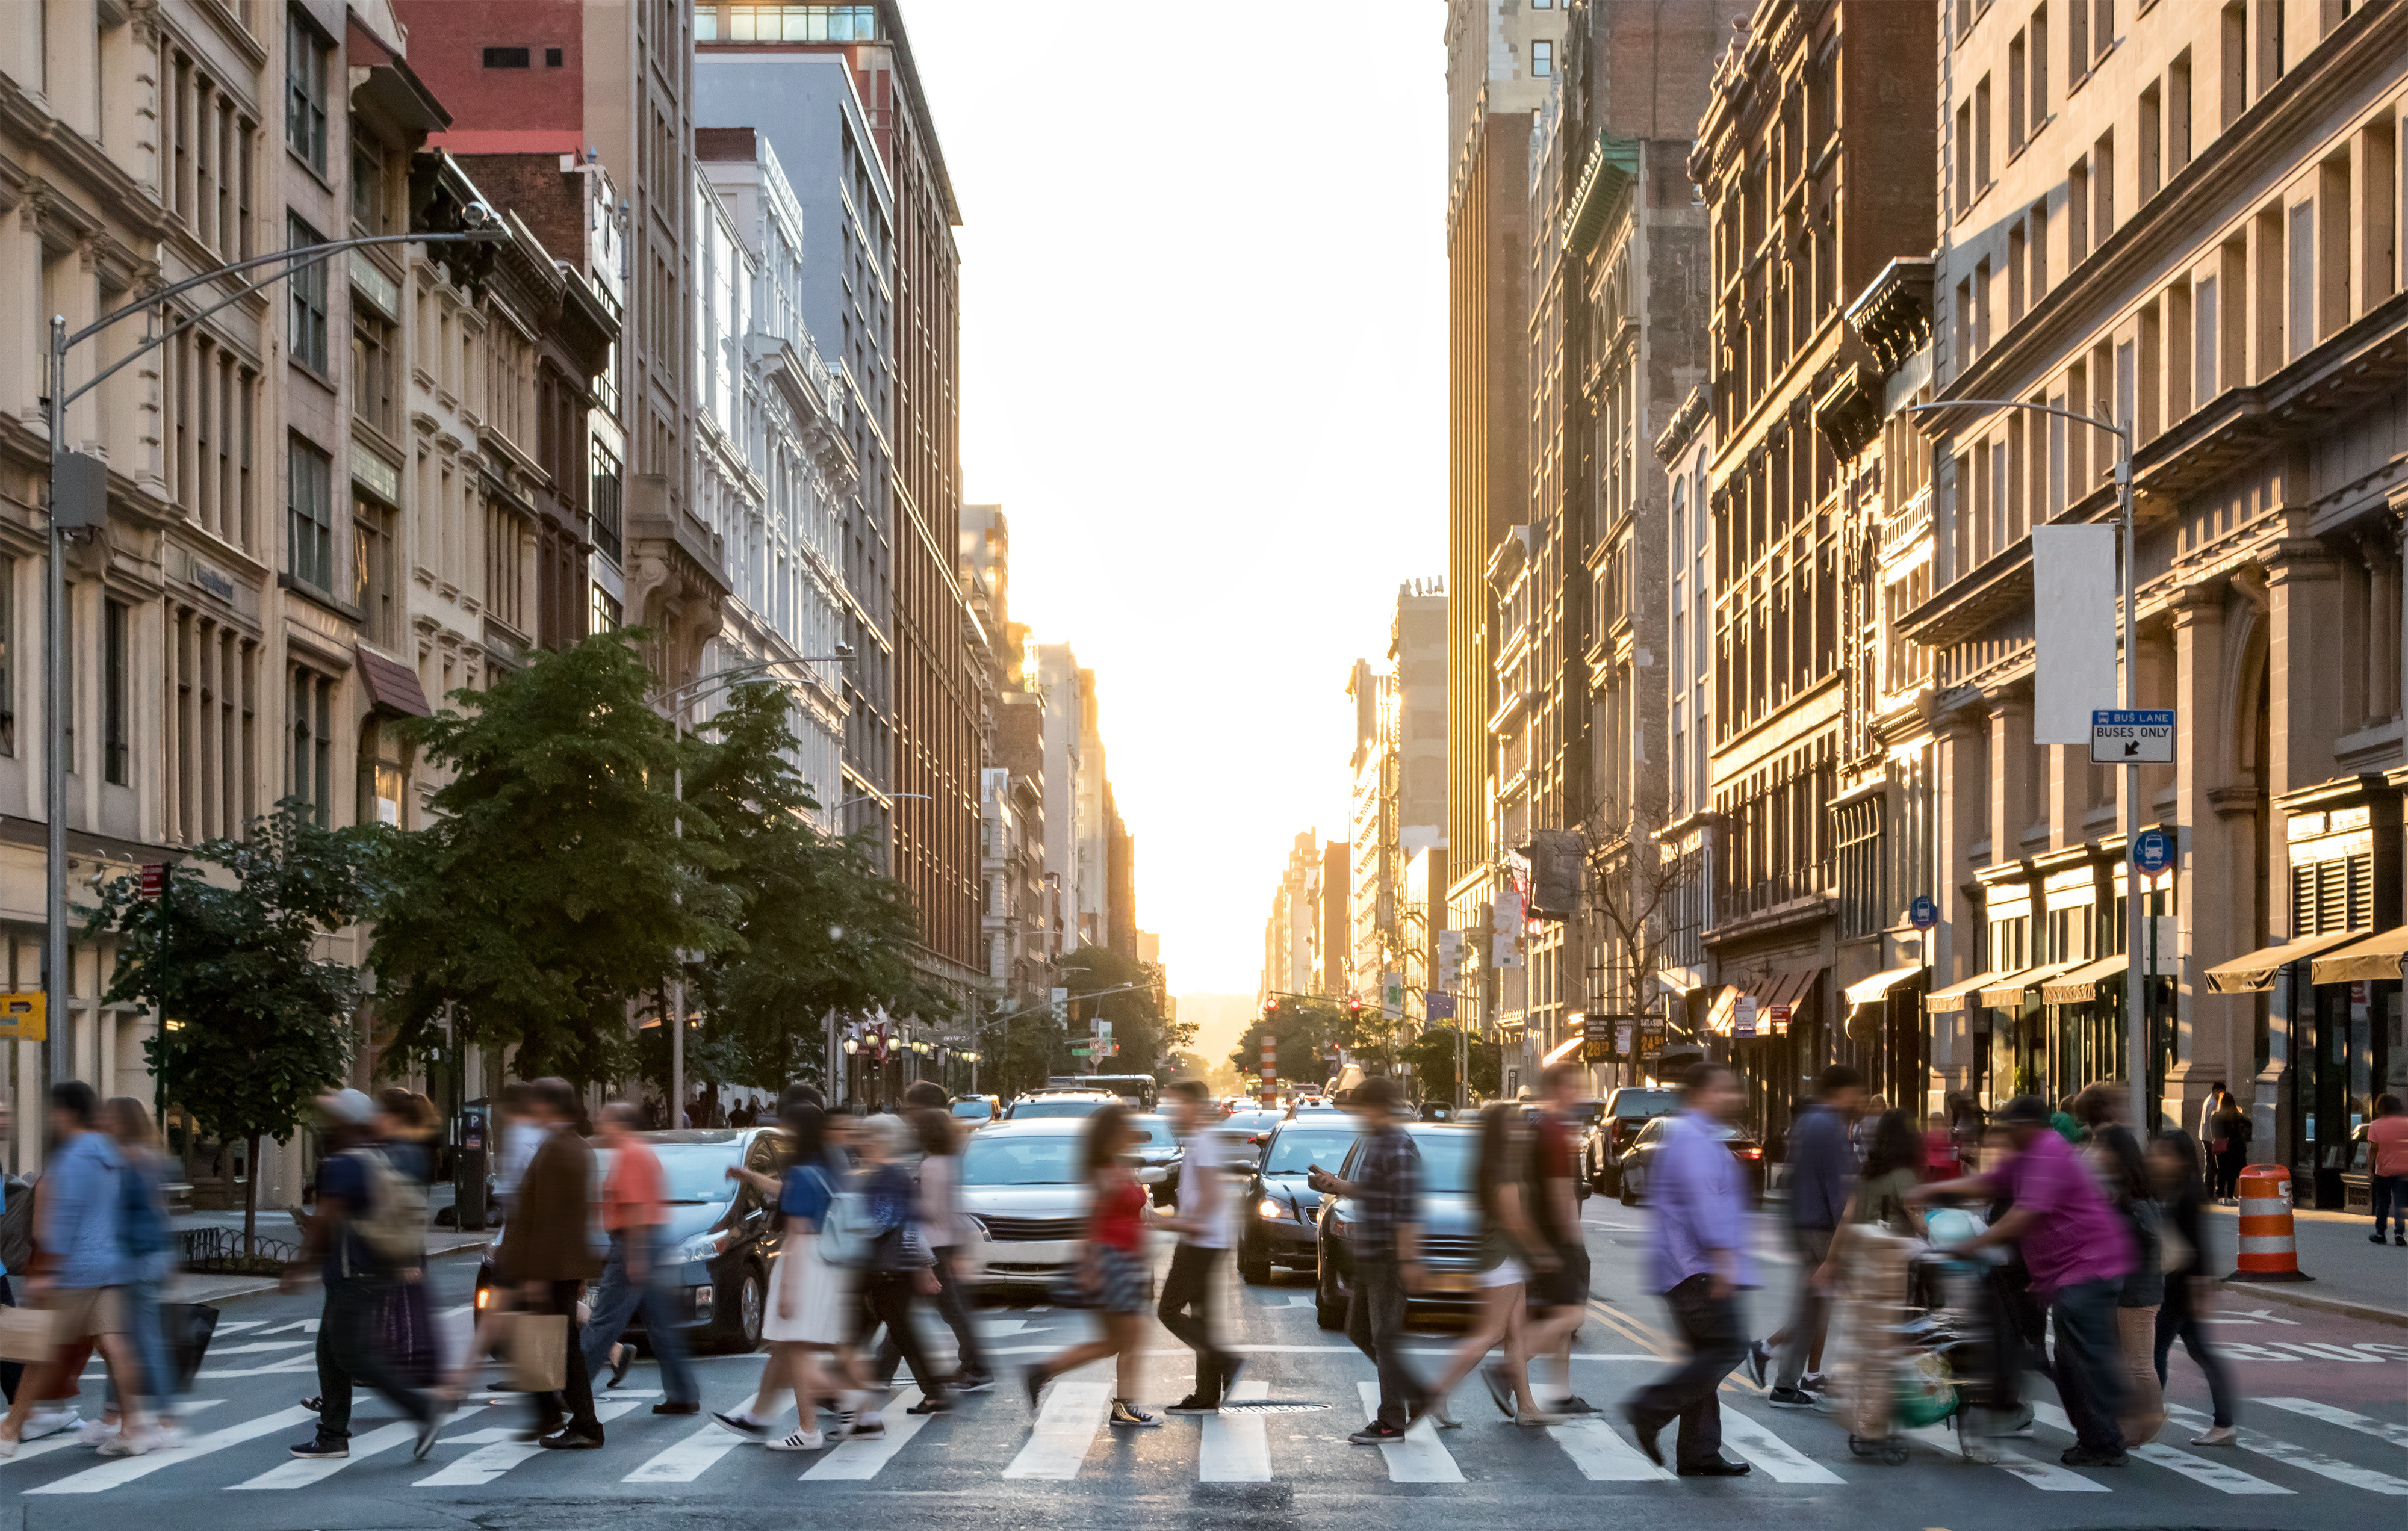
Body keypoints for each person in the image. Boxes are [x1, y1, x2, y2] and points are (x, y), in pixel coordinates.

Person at [1912, 1093, 2135, 1467]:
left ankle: (2106, 1442)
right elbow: (1989, 1184)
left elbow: (2023, 1215)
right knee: (2068, 1359)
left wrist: (1973, 1247)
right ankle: (2099, 1437)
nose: (2002, 1134)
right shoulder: (2028, 1156)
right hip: (2072, 1271)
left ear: (2028, 1128)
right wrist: (1931, 1191)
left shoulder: (2047, 1152)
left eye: (2008, 1127)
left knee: (2078, 1358)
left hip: (2090, 1267)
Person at [285, 1089, 445, 1462]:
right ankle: (333, 1435)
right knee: (330, 1353)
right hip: (361, 1268)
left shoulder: (348, 1161)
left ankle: (420, 1410)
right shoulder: (370, 1156)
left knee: (350, 1354)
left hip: (353, 1271)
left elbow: (330, 1218)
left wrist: (300, 1265)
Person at [1619, 1061, 1755, 1478]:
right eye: (1721, 1090)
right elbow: (1704, 1206)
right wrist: (1725, 1259)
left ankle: (1699, 1452)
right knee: (1728, 1348)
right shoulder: (1694, 1141)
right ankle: (1651, 1409)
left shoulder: (1697, 1137)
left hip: (1687, 1268)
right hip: (1696, 1270)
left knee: (1705, 1357)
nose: (1729, 1098)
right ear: (1698, 1094)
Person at [0, 1081, 150, 1457]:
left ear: (66, 1113)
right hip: (112, 1266)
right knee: (116, 1348)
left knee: (39, 1352)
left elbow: (52, 1225)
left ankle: (10, 1430)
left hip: (72, 1269)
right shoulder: (114, 1155)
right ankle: (133, 1430)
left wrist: (45, 1271)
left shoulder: (69, 1158)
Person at [715, 1102, 863, 1450]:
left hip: (803, 1261)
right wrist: (749, 1176)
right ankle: (761, 1418)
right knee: (787, 1346)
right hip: (825, 1260)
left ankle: (811, 1427)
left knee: (795, 1347)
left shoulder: (802, 1170)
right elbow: (787, 1193)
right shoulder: (824, 1166)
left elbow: (796, 1230)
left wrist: (788, 1290)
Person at [1308, 1076, 1429, 1444]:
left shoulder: (1398, 1144)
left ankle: (1392, 1421)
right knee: (1359, 1329)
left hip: (1390, 1256)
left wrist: (1408, 1260)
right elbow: (1377, 1191)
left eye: (1360, 1107)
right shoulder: (1378, 1142)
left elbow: (1408, 1206)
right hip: (1372, 1253)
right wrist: (1337, 1185)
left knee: (1385, 1339)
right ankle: (1416, 1393)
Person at [1025, 1104, 1161, 1428]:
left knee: (1116, 1341)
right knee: (1132, 1336)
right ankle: (1124, 1408)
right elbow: (1094, 1219)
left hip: (1128, 1259)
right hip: (1113, 1260)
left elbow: (1142, 1212)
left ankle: (1043, 1371)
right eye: (1125, 1126)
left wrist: (1185, 1225)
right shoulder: (1102, 1169)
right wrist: (1091, 1263)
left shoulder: (1121, 1164)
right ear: (1113, 1133)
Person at [1420, 1101, 1550, 1426]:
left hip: (1502, 1256)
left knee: (1516, 1335)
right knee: (1491, 1333)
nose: (1522, 1129)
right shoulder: (1502, 1168)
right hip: (1501, 1257)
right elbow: (1514, 1220)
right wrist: (1541, 1251)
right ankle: (1435, 1392)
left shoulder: (1492, 1162)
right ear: (1502, 1130)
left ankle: (1528, 1408)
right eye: (1515, 1124)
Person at [494, 1077, 606, 1449]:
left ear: (549, 1106)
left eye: (536, 1102)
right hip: (559, 1265)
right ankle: (548, 1413)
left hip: (549, 1267)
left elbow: (552, 1219)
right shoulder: (573, 1146)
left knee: (561, 1346)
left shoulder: (559, 1149)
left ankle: (585, 1424)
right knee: (545, 1341)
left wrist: (536, 1276)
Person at [1748, 1064, 1861, 1409]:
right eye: (1854, 1092)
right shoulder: (1833, 1127)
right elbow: (1841, 1190)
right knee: (1860, 1302)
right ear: (1839, 1092)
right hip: (1825, 1230)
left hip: (1803, 1226)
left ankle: (1784, 1380)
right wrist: (1840, 1244)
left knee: (1813, 1307)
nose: (1857, 1099)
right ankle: (1770, 1357)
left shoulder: (1808, 1123)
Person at [579, 1102, 700, 1417]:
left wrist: (633, 1255)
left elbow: (634, 1209)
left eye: (605, 1120)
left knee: (603, 1323)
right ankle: (683, 1393)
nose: (598, 1124)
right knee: (662, 1327)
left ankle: (569, 1391)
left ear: (620, 1124)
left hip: (635, 1244)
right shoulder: (640, 1153)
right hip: (647, 1244)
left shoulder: (630, 1155)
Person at [870, 1083, 990, 1396]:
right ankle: (882, 1370)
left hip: (931, 1245)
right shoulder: (948, 1161)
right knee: (909, 1309)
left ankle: (977, 1366)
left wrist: (908, 1199)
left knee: (941, 1309)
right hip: (942, 1242)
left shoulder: (931, 1165)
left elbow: (931, 1210)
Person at [852, 1113, 951, 1430]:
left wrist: (846, 1225)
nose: (861, 1144)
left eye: (866, 1139)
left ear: (880, 1142)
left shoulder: (886, 1177)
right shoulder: (892, 1175)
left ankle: (840, 1391)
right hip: (890, 1269)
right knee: (888, 1334)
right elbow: (912, 1224)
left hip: (886, 1270)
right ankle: (935, 1392)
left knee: (865, 1336)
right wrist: (924, 1265)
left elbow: (884, 1222)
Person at [1156, 1079, 1244, 1415]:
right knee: (1203, 1319)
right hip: (1204, 1239)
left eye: (1177, 1104)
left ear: (1193, 1105)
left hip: (1200, 1241)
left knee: (1168, 1310)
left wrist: (1179, 1224)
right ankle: (1206, 1395)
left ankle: (1226, 1360)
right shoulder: (1199, 1139)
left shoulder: (1204, 1141)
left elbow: (1210, 1194)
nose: (1174, 1111)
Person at [2149, 1129, 2239, 1446]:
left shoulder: (2188, 1193)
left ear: (2180, 1159)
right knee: (2202, 1354)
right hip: (2180, 1285)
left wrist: (2202, 1286)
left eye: (2163, 1154)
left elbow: (2199, 1244)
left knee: (2155, 1352)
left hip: (2180, 1288)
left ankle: (2147, 1416)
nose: (2157, 1160)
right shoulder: (2176, 1190)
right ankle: (2224, 1423)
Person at [1514, 1063, 1594, 1416]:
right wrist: (1573, 1244)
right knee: (1570, 1315)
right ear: (1560, 1091)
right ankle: (1507, 1369)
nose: (1578, 1094)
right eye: (1574, 1088)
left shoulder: (1543, 1129)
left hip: (1542, 1238)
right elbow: (1561, 1193)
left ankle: (1561, 1395)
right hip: (1557, 1240)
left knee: (1559, 1316)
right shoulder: (1555, 1133)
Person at [96, 1100, 178, 1446]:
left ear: (123, 1121)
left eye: (110, 1117)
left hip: (134, 1258)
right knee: (119, 1340)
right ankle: (114, 1415)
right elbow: (159, 1210)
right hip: (146, 1256)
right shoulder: (147, 1157)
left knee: (138, 1341)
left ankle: (165, 1419)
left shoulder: (128, 1160)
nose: (103, 1122)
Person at [2092, 1124, 2165, 1446]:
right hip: (2131, 1289)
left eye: (2100, 1147)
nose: (2095, 1153)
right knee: (2128, 1362)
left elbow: (2151, 1239)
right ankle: (2131, 1423)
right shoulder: (2129, 1192)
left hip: (2137, 1291)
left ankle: (2146, 1426)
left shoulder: (2132, 1199)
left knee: (2139, 1364)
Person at [2366, 1094, 2408, 1247]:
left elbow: (2373, 1150)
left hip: (2383, 1170)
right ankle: (2399, 1234)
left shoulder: (2376, 1126)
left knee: (2383, 1202)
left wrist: (2369, 1170)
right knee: (2400, 1203)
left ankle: (2380, 1233)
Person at [2206, 1088, 2250, 1204]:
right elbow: (2249, 1125)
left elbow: (2213, 1132)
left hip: (2221, 1146)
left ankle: (2220, 1193)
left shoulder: (2215, 1115)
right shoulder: (2237, 1115)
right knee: (2233, 1172)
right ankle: (2230, 1195)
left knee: (2222, 1170)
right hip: (2235, 1146)